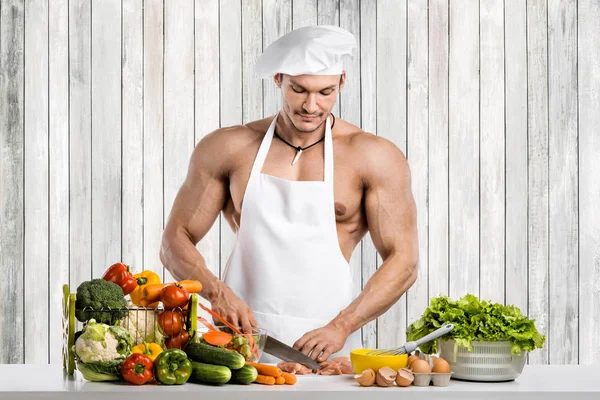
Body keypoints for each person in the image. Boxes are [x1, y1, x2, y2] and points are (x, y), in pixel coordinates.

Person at [160, 25, 418, 363]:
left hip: (327, 348)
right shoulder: (228, 147)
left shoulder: (373, 155)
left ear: (342, 82)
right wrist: (216, 293)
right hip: (236, 342)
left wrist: (342, 326)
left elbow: (405, 261)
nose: (311, 106)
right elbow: (174, 240)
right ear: (279, 79)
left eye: (325, 92)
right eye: (299, 90)